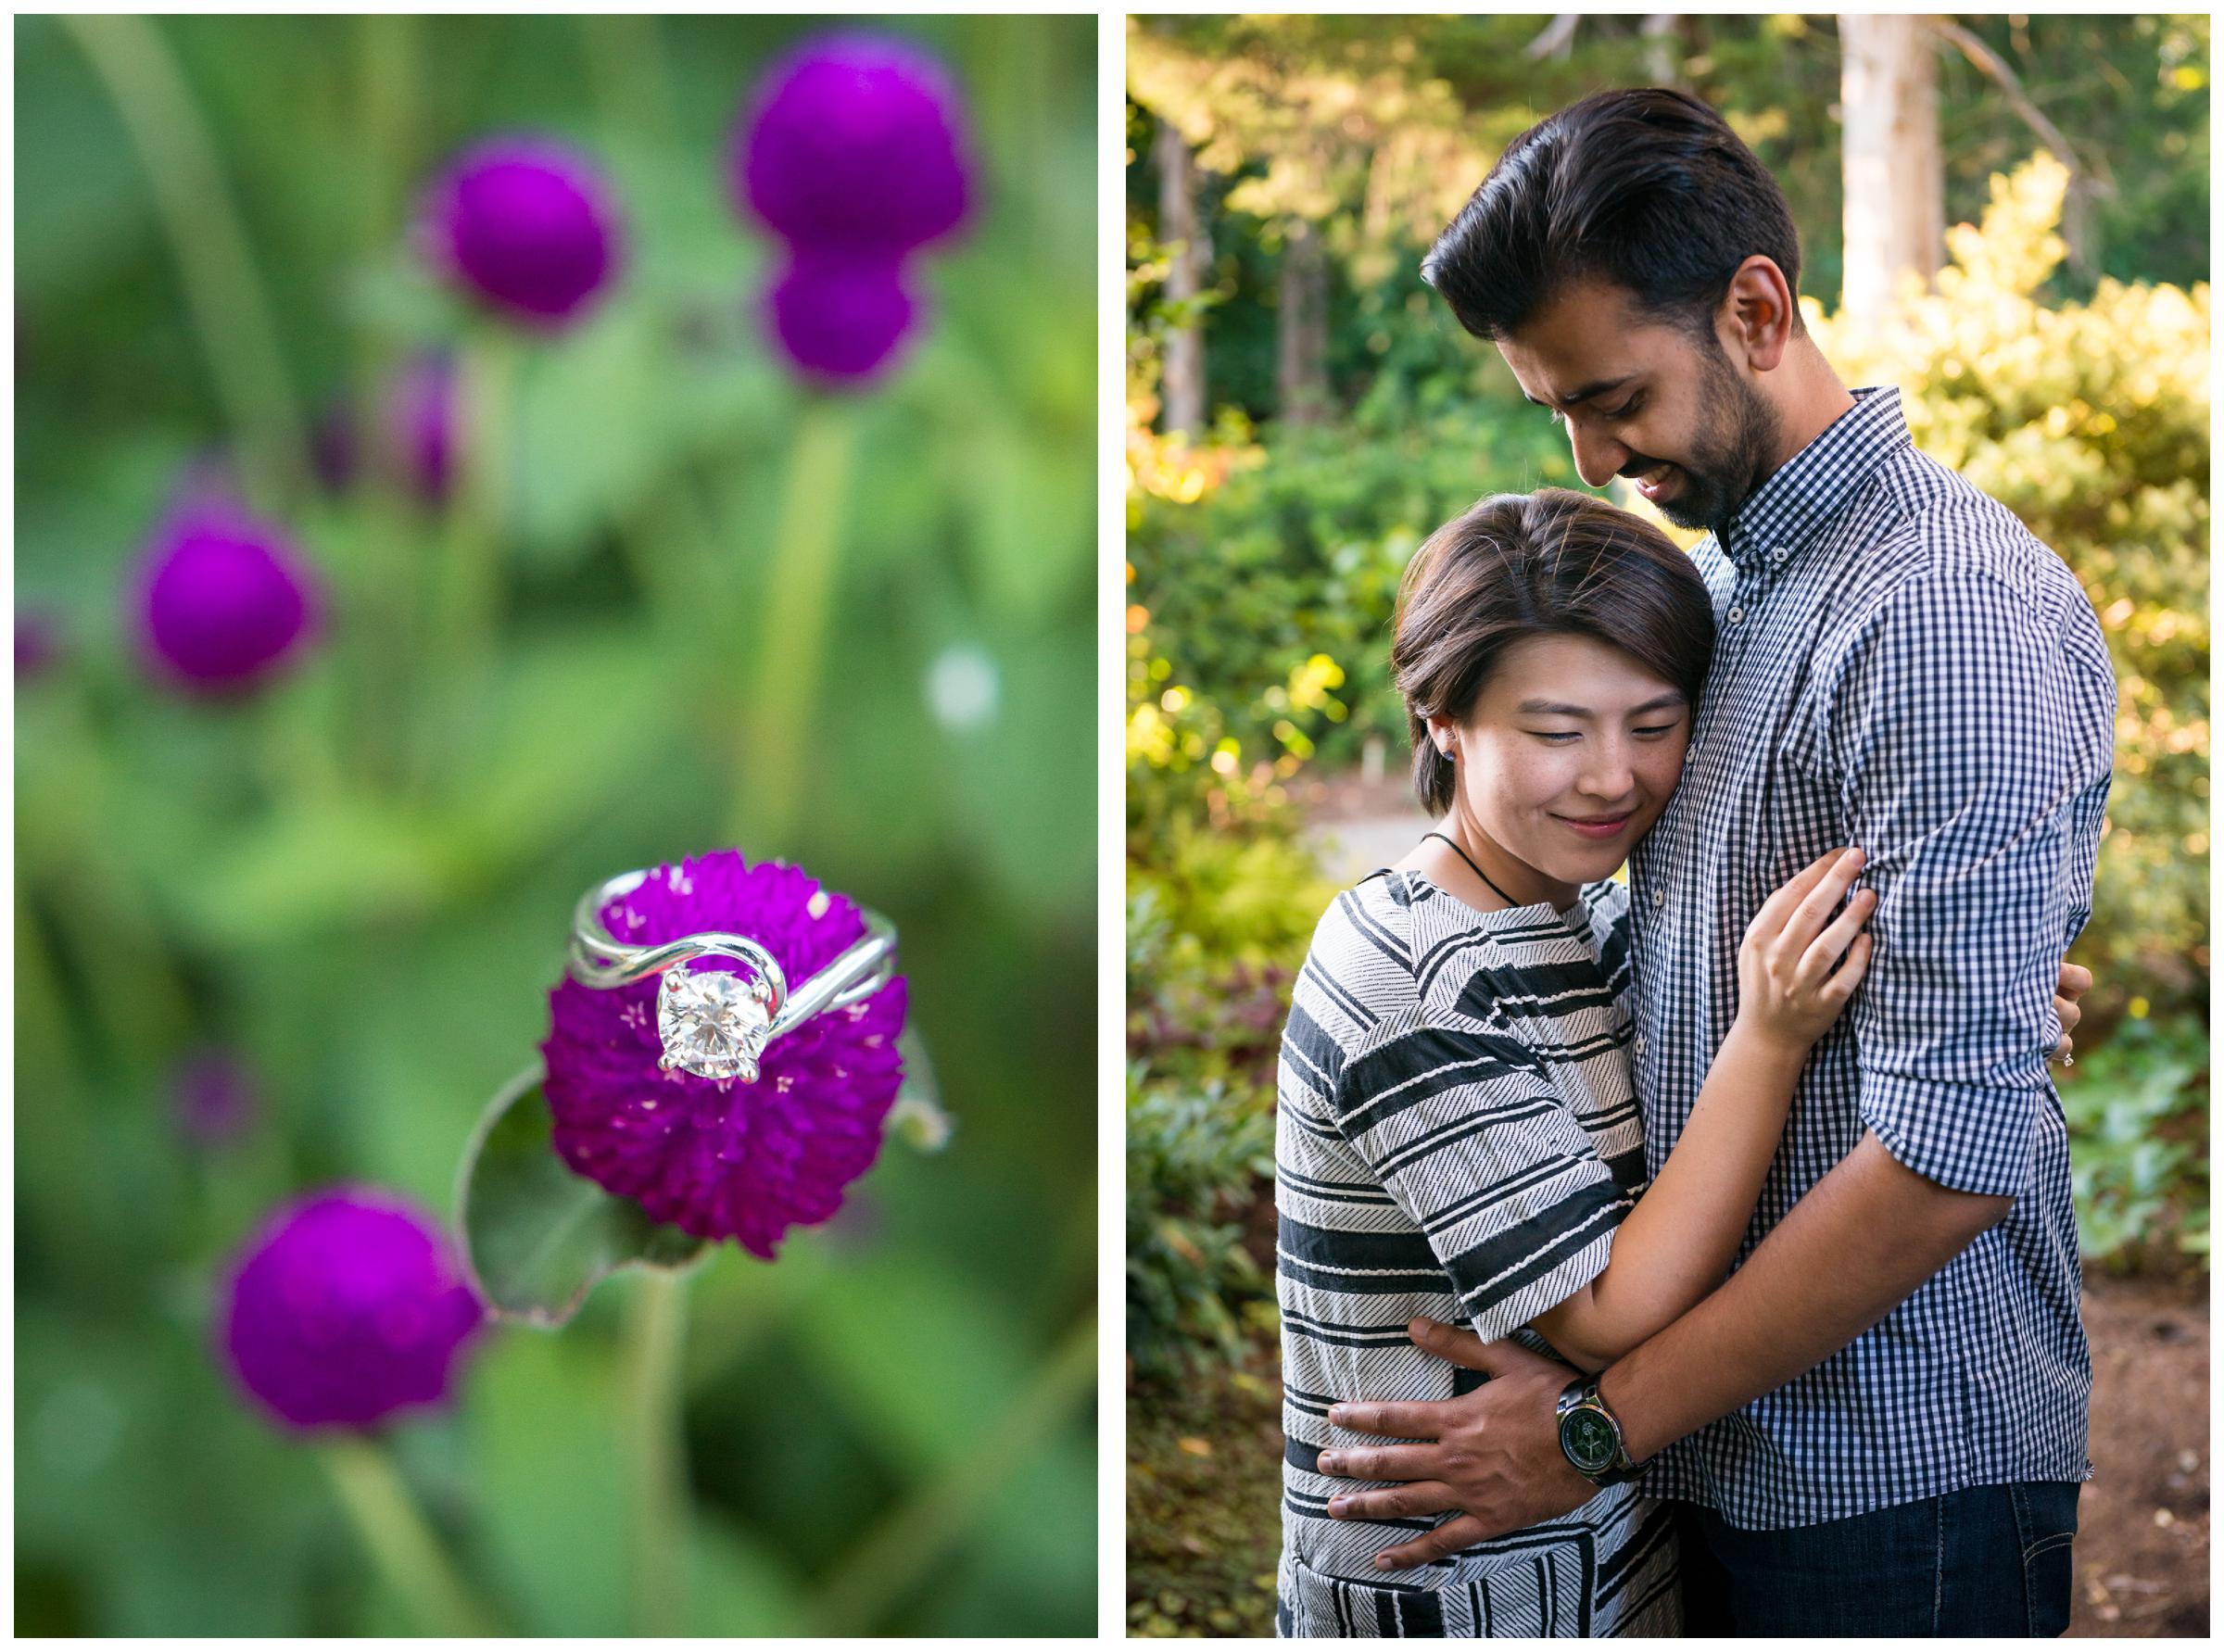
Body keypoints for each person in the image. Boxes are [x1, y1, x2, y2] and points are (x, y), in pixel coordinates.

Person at [1314, 87, 2113, 1637]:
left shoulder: (1935, 610)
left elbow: (1949, 1155)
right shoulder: (1738, 592)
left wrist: (1595, 1423)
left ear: (1755, 309)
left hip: (1892, 1482)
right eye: (1561, 411)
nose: (1597, 454)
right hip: (1738, 1463)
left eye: (1615, 396)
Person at [1275, 487, 1878, 1636]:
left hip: (1602, 1555)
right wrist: (1772, 1031)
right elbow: (1607, 1311)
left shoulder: (1583, 921)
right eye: (1557, 732)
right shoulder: (1403, 971)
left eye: (1653, 726)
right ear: (1442, 717)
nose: (1612, 776)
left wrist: (1941, 1002)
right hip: (1453, 1586)